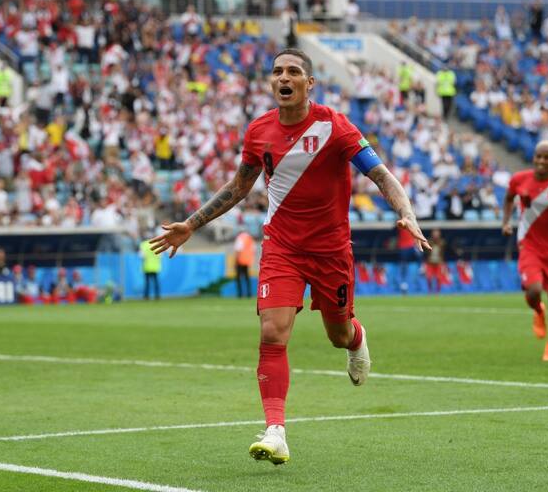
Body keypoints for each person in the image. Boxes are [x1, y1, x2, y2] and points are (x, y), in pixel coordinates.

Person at [150, 48, 430, 465]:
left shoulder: (335, 126)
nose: (284, 77)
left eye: (293, 71)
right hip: (281, 247)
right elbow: (239, 187)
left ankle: (356, 337)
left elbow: (381, 174)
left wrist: (406, 212)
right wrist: (191, 224)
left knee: (337, 335)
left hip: (331, 251)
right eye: (277, 71)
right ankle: (275, 431)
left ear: (309, 83)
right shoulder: (258, 131)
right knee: (272, 333)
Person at [502, 141, 548, 361]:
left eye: (547, 157)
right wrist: (506, 222)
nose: (541, 161)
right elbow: (509, 198)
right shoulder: (519, 179)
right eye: (538, 156)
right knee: (534, 289)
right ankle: (538, 310)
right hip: (529, 245)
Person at [234, 226, 255, 298]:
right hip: (247, 260)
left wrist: (236, 261)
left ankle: (240, 294)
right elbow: (253, 249)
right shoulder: (250, 238)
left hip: (240, 260)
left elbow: (238, 249)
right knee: (247, 278)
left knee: (238, 278)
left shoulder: (240, 238)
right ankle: (249, 293)